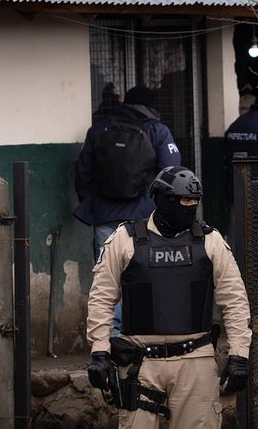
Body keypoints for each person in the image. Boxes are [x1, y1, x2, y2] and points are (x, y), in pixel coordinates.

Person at [86, 166, 252, 429]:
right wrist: (99, 351)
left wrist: (239, 354)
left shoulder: (210, 241)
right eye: (183, 201)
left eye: (194, 202)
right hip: (140, 363)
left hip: (195, 360)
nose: (190, 207)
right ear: (162, 199)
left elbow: (234, 300)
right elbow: (101, 297)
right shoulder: (125, 239)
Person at [75, 85, 181, 334]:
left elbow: (82, 172)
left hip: (104, 218)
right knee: (145, 275)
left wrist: (93, 204)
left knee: (106, 279)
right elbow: (171, 173)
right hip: (144, 218)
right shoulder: (158, 131)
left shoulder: (98, 129)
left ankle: (110, 337)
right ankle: (142, 333)